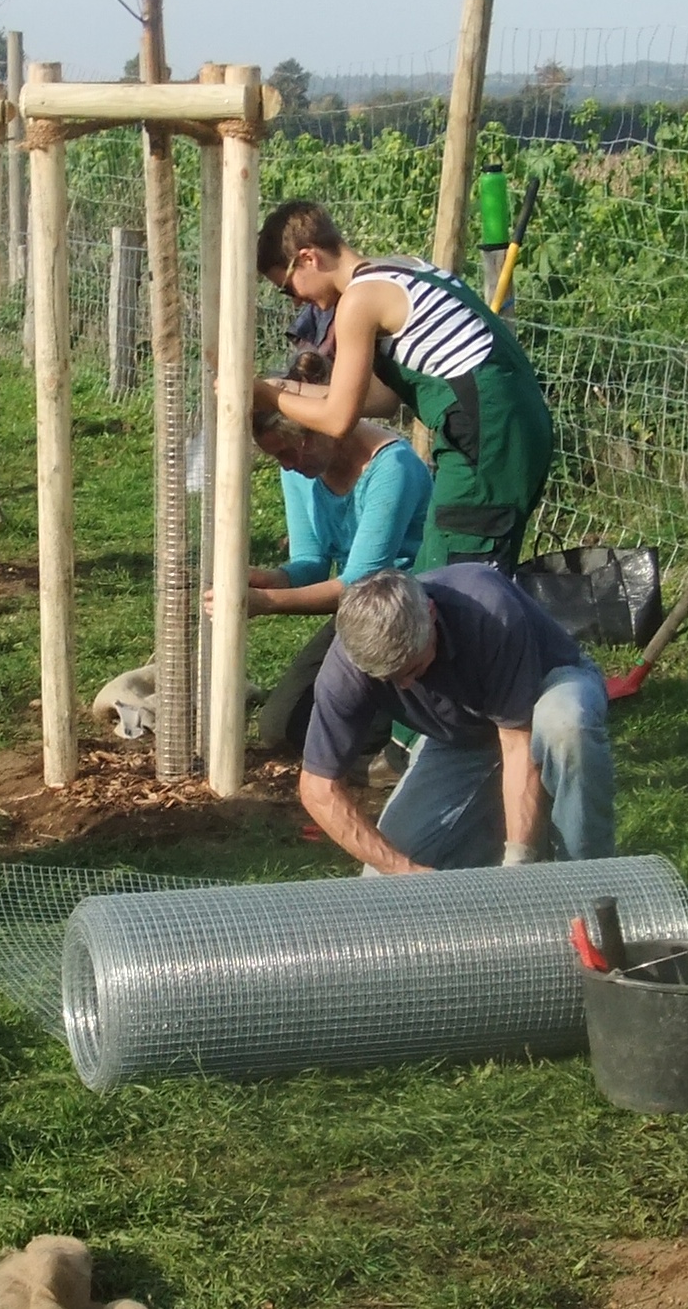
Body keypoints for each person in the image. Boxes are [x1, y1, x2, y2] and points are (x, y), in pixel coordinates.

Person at [256, 200, 556, 573]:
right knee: (463, 568)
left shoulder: (359, 301)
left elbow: (337, 420)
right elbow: (381, 400)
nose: (297, 301)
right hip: (514, 428)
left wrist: (265, 396)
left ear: (308, 258)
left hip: (485, 438)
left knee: (457, 579)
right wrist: (283, 389)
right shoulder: (400, 268)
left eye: (288, 288)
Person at [299, 566, 613, 874]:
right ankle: (503, 841)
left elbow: (517, 742)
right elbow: (318, 788)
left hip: (545, 692)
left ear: (431, 614)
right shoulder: (346, 669)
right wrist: (403, 870)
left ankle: (587, 877)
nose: (405, 686)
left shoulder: (489, 609)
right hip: (462, 738)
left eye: (412, 668)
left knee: (566, 724)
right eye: (390, 679)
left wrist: (518, 866)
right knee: (382, 881)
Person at [216, 403, 429, 756]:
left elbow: (358, 582)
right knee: (282, 727)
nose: (286, 465)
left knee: (337, 731)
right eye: (276, 457)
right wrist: (267, 580)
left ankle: (410, 729)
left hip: (404, 612)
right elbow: (310, 563)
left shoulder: (393, 468)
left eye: (288, 452)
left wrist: (262, 604)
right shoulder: (301, 471)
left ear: (322, 429)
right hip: (357, 613)